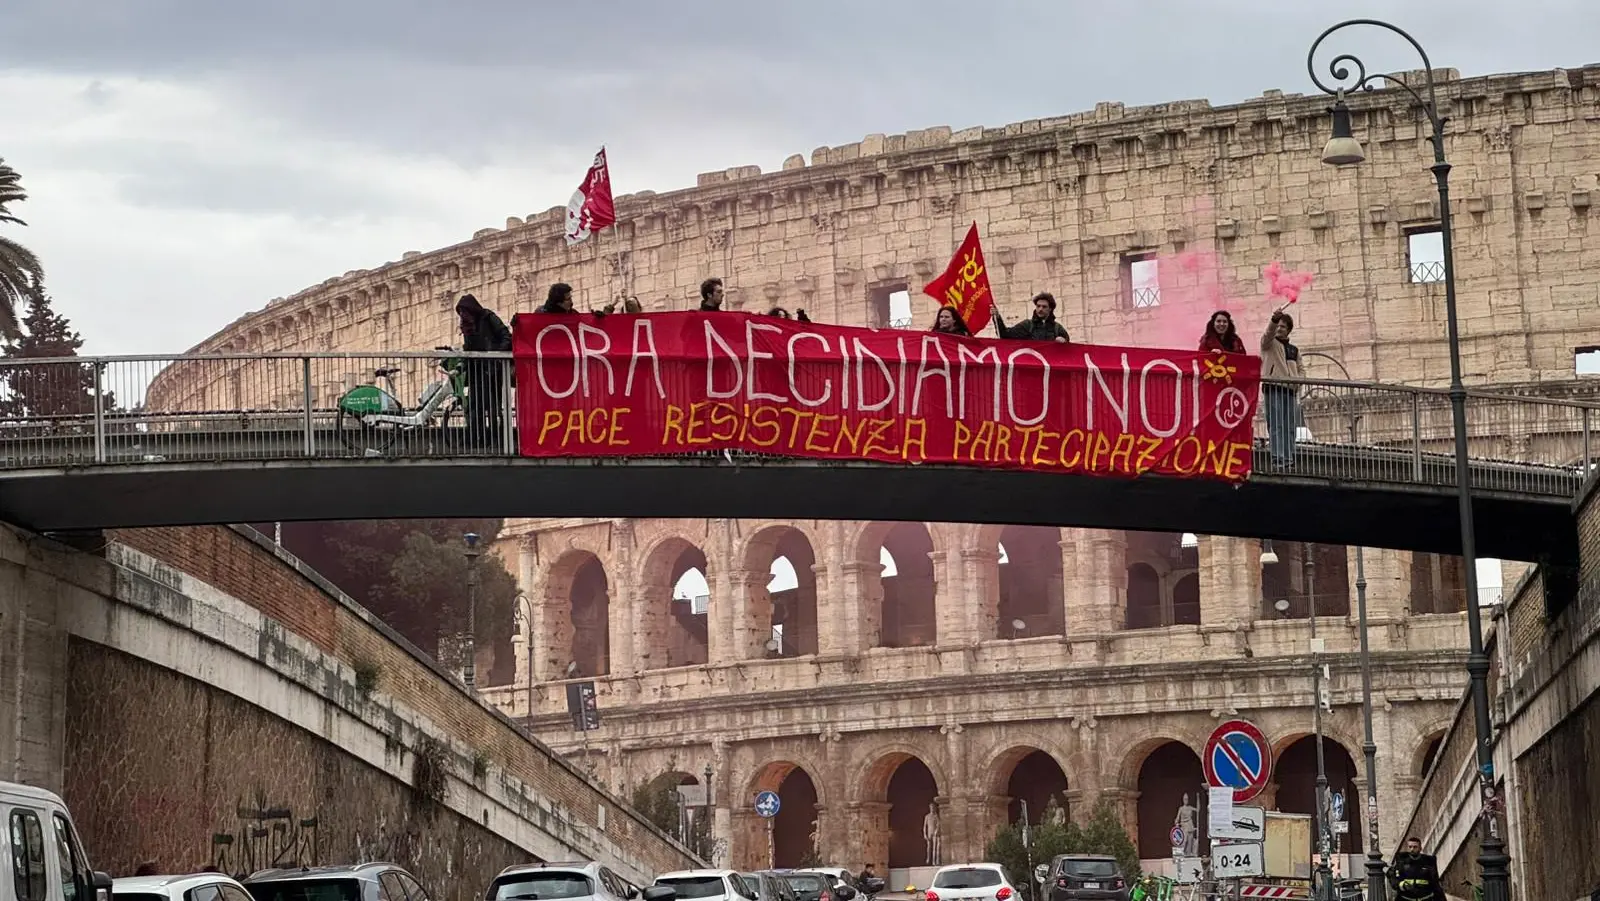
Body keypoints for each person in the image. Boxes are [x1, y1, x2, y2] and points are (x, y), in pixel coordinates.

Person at [456, 293, 512, 447]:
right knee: (475, 406)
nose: (462, 315)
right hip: (476, 371)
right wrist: (461, 366)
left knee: (493, 406)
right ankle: (475, 440)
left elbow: (506, 336)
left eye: (464, 311)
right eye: (460, 312)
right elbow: (468, 349)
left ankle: (496, 440)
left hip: (492, 370)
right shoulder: (468, 326)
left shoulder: (488, 317)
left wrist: (494, 354)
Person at [1260, 307, 1301, 466]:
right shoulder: (1269, 344)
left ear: (1288, 330)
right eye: (1278, 326)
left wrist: (1297, 382)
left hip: (1290, 390)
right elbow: (1267, 334)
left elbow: (1301, 369)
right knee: (1276, 424)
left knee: (1289, 426)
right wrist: (1274, 320)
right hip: (1274, 387)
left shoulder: (1294, 350)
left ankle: (1289, 457)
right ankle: (1278, 457)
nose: (1279, 328)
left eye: (1283, 326)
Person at [993, 292, 1069, 343]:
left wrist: (1064, 342)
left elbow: (1069, 350)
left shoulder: (1057, 328)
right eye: (1038, 306)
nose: (1040, 309)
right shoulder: (1027, 325)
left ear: (1050, 309)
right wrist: (997, 317)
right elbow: (1005, 335)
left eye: (1044, 307)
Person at [1387, 837, 1444, 901]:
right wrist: (1402, 885)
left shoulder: (1429, 861)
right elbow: (1393, 878)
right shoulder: (1401, 861)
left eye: (1415, 847)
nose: (1412, 849)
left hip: (1425, 898)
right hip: (1405, 898)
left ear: (1420, 848)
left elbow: (1435, 883)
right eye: (1410, 847)